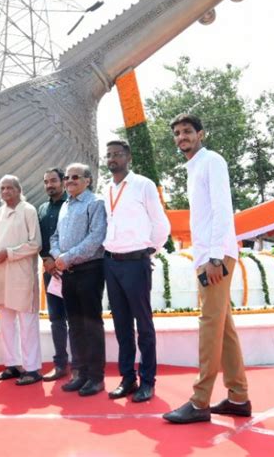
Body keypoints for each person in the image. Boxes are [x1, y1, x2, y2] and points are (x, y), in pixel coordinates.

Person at [164, 114, 251, 424]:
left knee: (209, 326)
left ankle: (200, 401)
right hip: (207, 256)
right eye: (177, 133)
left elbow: (222, 208)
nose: (181, 137)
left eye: (187, 131)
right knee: (223, 327)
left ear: (201, 133)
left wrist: (215, 257)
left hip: (216, 257)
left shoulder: (211, 160)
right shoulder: (193, 167)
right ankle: (238, 397)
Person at [103, 140, 170, 403]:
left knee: (143, 325)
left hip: (135, 262)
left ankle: (148, 381)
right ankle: (127, 378)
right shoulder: (107, 189)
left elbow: (160, 224)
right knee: (121, 325)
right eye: (108, 155)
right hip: (111, 263)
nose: (112, 158)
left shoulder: (143, 185)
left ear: (128, 157)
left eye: (117, 154)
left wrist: (147, 251)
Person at [50, 163, 107, 397]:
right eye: (67, 177)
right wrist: (57, 257)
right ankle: (79, 373)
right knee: (74, 324)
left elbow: (96, 237)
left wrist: (67, 257)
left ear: (88, 180)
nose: (70, 181)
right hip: (68, 273)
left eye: (76, 177)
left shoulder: (95, 203)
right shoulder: (65, 205)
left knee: (91, 325)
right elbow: (54, 236)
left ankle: (95, 377)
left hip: (90, 270)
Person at [0, 175, 43, 385]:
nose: (6, 192)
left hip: (22, 275)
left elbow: (36, 244)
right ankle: (11, 365)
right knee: (5, 322)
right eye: (2, 188)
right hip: (2, 273)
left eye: (10, 188)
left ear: (19, 190)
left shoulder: (28, 210)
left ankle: (32, 369)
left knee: (27, 323)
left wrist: (8, 253)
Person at [38, 167, 78, 382]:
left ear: (62, 182)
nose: (49, 185)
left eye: (53, 180)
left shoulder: (73, 204)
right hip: (50, 272)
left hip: (72, 270)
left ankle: (79, 366)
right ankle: (60, 364)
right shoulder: (42, 209)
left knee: (75, 318)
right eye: (46, 182)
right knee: (56, 319)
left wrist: (63, 260)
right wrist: (46, 259)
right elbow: (39, 239)